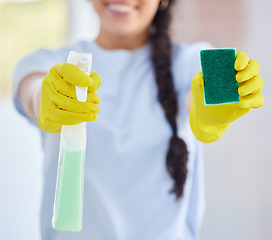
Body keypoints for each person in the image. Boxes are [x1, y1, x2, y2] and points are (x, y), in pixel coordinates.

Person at [13, 0, 264, 239]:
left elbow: (202, 93)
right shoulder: (47, 63)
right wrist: (44, 99)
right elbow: (32, 90)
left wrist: (215, 105)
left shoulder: (190, 60)